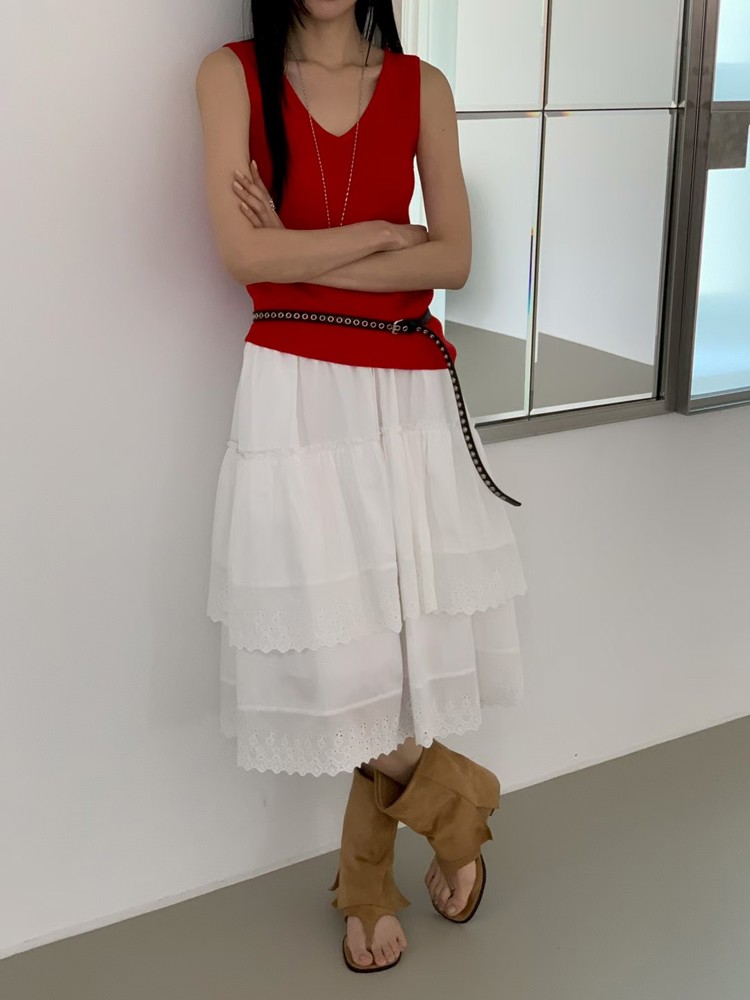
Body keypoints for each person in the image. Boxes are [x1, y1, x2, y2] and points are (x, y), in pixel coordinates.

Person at [195, 0, 528, 974]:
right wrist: (385, 235)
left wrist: (304, 254)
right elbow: (244, 257)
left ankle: (366, 884)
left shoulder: (423, 87)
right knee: (337, 661)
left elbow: (453, 259)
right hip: (295, 399)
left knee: (395, 655)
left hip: (404, 394)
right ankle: (458, 806)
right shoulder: (230, 76)